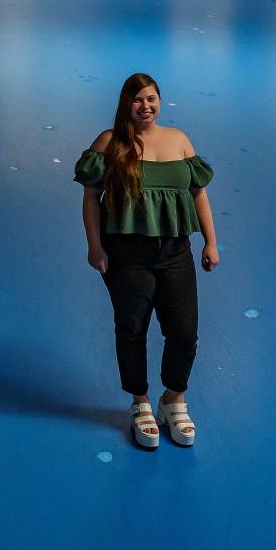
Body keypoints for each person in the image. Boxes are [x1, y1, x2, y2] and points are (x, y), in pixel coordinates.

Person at [74, 72, 218, 449]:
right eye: (138, 100)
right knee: (133, 327)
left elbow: (198, 194)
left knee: (184, 330)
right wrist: (95, 246)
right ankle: (139, 401)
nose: (146, 106)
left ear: (160, 101)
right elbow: (91, 198)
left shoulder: (179, 139)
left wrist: (211, 242)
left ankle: (173, 398)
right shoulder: (109, 143)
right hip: (126, 254)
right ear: (126, 104)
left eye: (151, 99)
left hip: (175, 251)